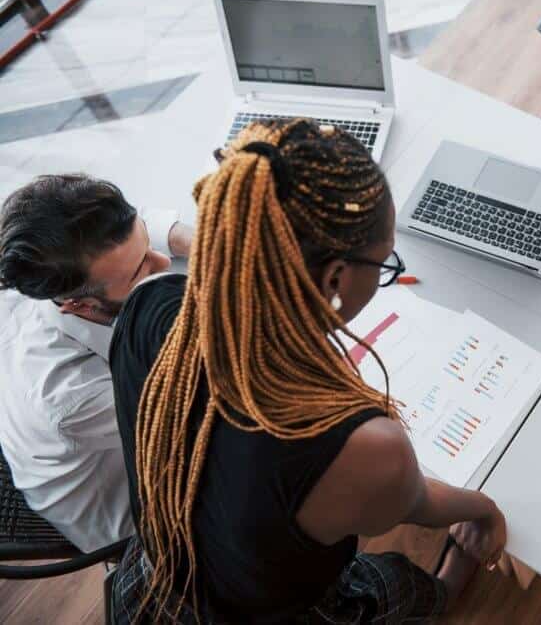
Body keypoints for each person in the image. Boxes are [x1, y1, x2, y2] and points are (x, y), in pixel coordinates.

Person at [108, 119, 506, 623]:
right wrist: (484, 509)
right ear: (336, 276)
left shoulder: (151, 303)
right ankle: (446, 592)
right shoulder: (364, 448)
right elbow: (417, 502)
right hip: (274, 613)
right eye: (385, 263)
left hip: (155, 578)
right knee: (402, 586)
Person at [0, 175, 192, 552]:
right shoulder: (70, 397)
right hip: (140, 522)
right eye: (143, 268)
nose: (163, 260)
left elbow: (135, 232)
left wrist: (192, 238)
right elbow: (211, 404)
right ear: (80, 306)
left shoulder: (55, 267)